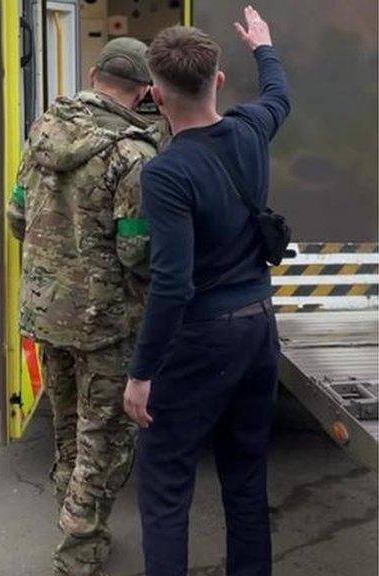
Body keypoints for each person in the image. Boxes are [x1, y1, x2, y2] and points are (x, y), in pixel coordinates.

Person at [123, 7, 290, 576]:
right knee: (246, 477)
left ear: (157, 94)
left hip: (200, 342)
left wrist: (141, 374)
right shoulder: (250, 130)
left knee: (167, 484)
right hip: (258, 329)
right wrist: (263, 47)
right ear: (217, 81)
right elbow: (280, 94)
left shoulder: (167, 173)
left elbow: (172, 283)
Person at [9, 37, 160, 576]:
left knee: (68, 425)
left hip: (47, 312)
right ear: (144, 89)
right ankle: (78, 551)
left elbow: (16, 216)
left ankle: (71, 522)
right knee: (104, 437)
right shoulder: (135, 155)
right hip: (105, 322)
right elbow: (135, 250)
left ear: (94, 73)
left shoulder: (44, 131)